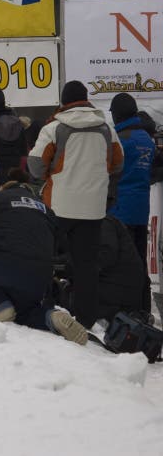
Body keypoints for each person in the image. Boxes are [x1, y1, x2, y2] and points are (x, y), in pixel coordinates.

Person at [27, 80, 124, 329]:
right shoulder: (106, 129)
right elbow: (118, 163)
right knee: (87, 266)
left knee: (46, 259)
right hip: (93, 208)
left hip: (58, 206)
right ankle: (87, 319)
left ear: (64, 101)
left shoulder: (54, 128)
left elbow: (36, 165)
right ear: (86, 99)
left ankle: (46, 311)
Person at [0, 170, 88, 345]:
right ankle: (52, 317)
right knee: (24, 312)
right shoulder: (45, 209)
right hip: (40, 275)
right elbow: (61, 248)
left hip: (3, 264)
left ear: (3, 187)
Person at [107, 92, 154, 313]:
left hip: (120, 209)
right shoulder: (147, 139)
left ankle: (126, 309)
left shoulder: (121, 140)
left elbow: (109, 172)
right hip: (141, 208)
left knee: (122, 263)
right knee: (140, 261)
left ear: (117, 115)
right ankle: (144, 308)